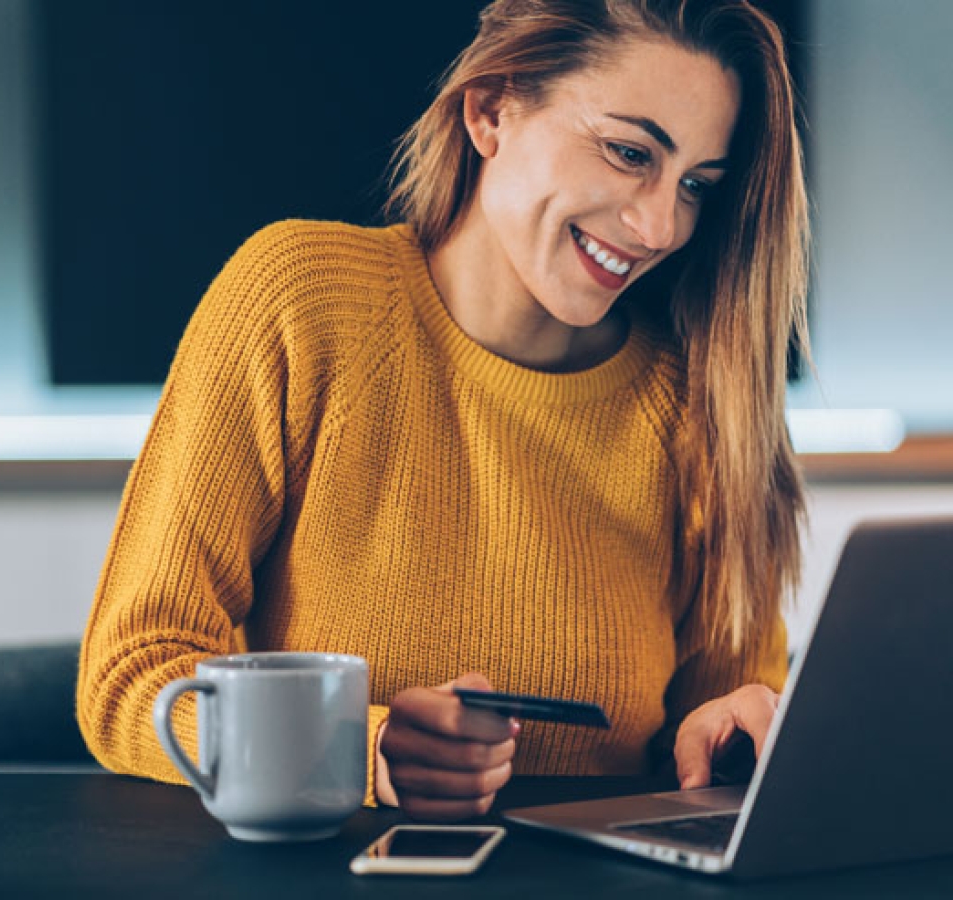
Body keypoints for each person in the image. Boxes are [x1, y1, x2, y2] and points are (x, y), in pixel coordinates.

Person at [77, 0, 810, 823]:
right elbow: (132, 674)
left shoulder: (698, 393)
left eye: (696, 187)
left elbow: (725, 717)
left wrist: (732, 731)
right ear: (491, 110)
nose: (659, 224)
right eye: (628, 151)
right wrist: (360, 750)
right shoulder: (298, 304)